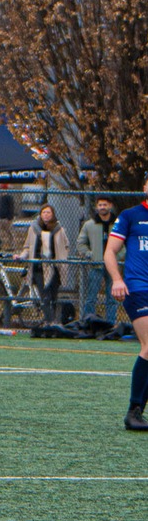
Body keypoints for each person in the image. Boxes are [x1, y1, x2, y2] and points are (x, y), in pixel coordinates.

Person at [106, 177, 148, 428]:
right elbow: (110, 251)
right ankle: (134, 412)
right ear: (144, 188)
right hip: (139, 289)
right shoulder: (131, 216)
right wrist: (117, 280)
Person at [21, 203, 68, 326]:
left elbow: (66, 246)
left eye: (48, 212)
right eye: (43, 212)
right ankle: (49, 321)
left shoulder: (59, 229)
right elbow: (27, 247)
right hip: (38, 267)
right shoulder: (33, 229)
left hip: (54, 267)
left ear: (53, 215)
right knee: (44, 295)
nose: (46, 215)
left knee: (53, 295)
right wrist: (21, 256)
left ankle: (54, 320)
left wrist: (61, 258)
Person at [77, 197, 117, 323]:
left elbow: (125, 244)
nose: (102, 207)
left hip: (113, 265)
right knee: (91, 297)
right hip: (96, 265)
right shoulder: (89, 224)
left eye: (105, 204)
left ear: (110, 206)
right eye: (100, 205)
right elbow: (81, 244)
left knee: (112, 297)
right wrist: (90, 255)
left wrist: (117, 257)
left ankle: (111, 324)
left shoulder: (118, 224)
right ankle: (89, 323)